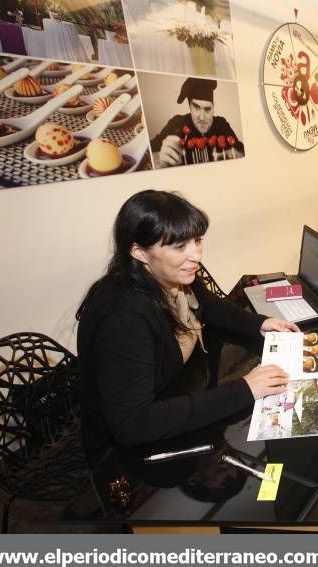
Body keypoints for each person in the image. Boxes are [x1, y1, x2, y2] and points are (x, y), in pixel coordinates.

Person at [76, 190, 299, 464]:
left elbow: (208, 305)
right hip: (128, 457)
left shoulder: (168, 277)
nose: (195, 254)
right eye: (180, 246)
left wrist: (260, 323)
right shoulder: (124, 318)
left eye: (197, 240)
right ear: (139, 252)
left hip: (178, 396)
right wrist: (244, 388)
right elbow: (133, 424)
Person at [150, 78, 245, 168]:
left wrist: (238, 156)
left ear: (213, 107)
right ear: (189, 106)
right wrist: (159, 159)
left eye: (207, 109)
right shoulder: (177, 123)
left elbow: (242, 151)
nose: (202, 117)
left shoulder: (221, 124)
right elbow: (151, 151)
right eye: (196, 107)